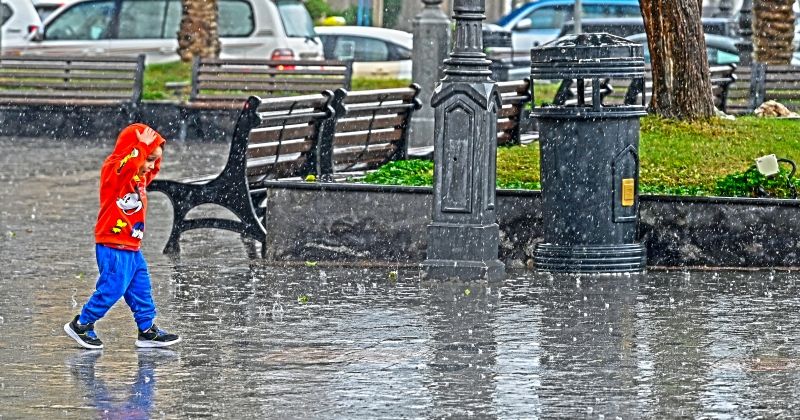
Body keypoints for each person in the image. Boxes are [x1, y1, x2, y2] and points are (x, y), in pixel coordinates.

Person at [64, 123, 180, 350]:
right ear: (132, 152)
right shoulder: (115, 169)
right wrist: (142, 145)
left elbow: (148, 168)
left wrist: (153, 150)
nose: (150, 166)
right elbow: (129, 164)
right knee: (113, 287)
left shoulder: (138, 178)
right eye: (147, 159)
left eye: (153, 161)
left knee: (141, 287)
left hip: (131, 246)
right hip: (113, 243)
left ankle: (146, 330)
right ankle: (82, 324)